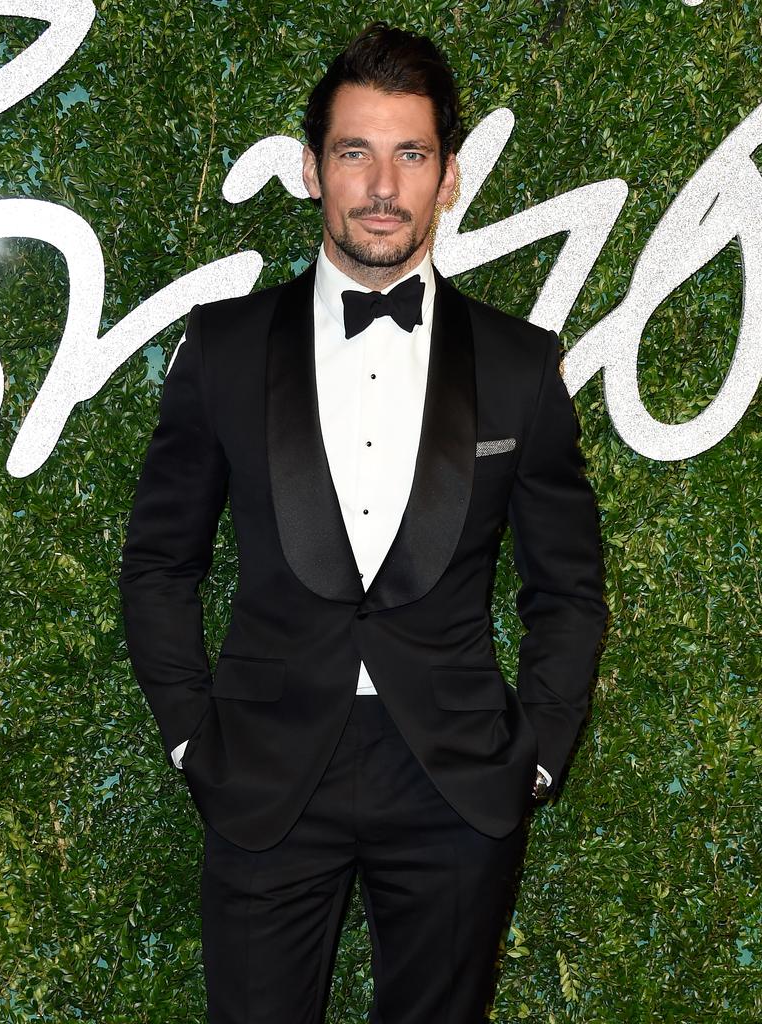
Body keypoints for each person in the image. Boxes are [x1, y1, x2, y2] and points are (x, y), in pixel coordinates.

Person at [118, 21, 607, 1024]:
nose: (383, 185)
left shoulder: (521, 365)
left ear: (448, 176)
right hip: (261, 771)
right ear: (311, 169)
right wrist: (187, 741)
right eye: (355, 152)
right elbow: (160, 562)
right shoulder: (222, 348)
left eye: (410, 154)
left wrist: (539, 753)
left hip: (457, 784)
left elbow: (566, 586)